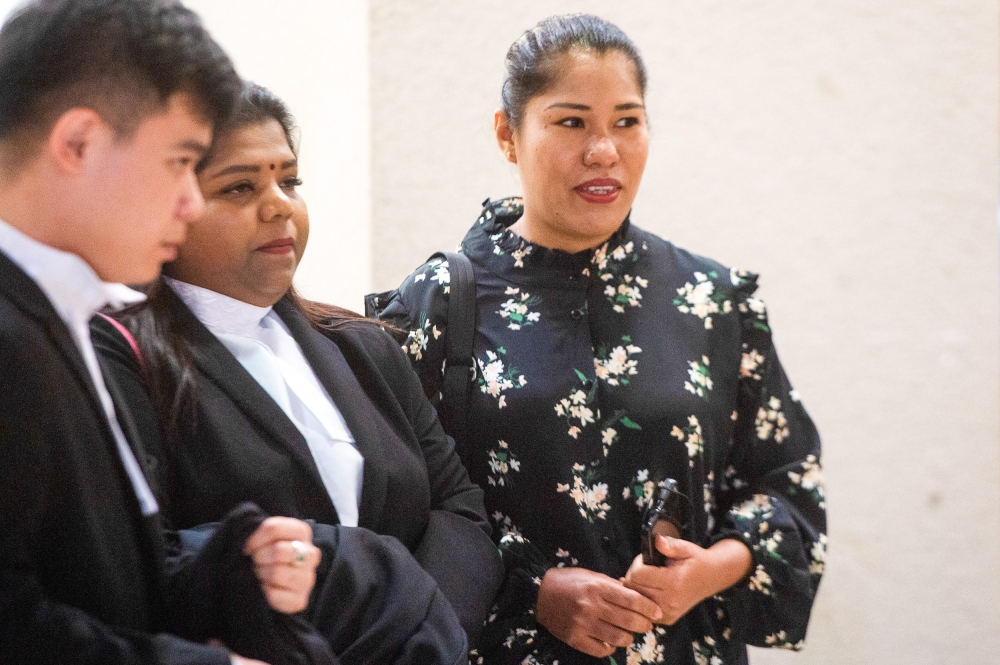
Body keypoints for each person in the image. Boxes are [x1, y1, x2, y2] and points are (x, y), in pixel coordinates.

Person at [369, 13, 827, 665]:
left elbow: (788, 484)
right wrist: (528, 590)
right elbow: (396, 517)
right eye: (572, 121)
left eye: (627, 121)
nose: (603, 150)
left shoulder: (714, 301)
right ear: (508, 134)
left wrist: (708, 569)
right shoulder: (439, 301)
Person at [93, 81, 503, 665]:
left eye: (289, 181)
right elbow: (131, 559)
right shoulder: (124, 358)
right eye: (239, 187)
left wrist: (418, 626)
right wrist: (363, 581)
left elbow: (461, 512)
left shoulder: (366, 348)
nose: (279, 204)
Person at [0, 2, 325, 665]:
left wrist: (232, 563)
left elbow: (95, 573)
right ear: (78, 143)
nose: (190, 201)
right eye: (180, 162)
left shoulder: (69, 316)